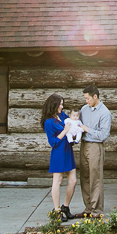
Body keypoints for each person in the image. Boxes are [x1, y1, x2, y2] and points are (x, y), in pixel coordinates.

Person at [40, 93, 78, 221]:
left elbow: (72, 124)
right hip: (58, 153)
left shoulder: (62, 116)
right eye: (60, 104)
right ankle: (57, 210)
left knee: (73, 181)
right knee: (58, 181)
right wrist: (65, 131)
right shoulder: (48, 122)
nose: (62, 106)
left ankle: (65, 207)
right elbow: (53, 142)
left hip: (68, 150)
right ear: (54, 105)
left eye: (62, 104)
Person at [77, 84, 111, 218]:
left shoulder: (105, 113)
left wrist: (87, 129)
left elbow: (103, 135)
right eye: (85, 99)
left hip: (96, 147)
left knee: (95, 178)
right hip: (84, 145)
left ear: (95, 96)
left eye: (88, 98)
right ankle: (88, 208)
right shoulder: (84, 110)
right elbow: (78, 126)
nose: (86, 101)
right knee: (84, 177)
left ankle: (97, 211)